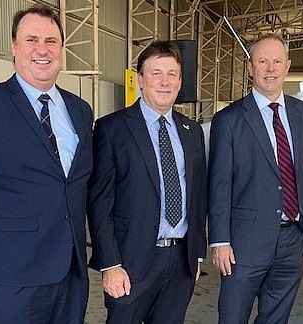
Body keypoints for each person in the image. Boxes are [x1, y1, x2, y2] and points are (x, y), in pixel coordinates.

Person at [0, 4, 93, 323]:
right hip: (12, 272)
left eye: (51, 41)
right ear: (14, 46)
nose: (43, 50)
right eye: (32, 39)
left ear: (62, 49)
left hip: (71, 270)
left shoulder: (80, 110)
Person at [208, 33, 303, 324]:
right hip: (243, 243)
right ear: (250, 67)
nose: (270, 69)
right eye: (262, 61)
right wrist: (220, 240)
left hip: (291, 240)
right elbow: (219, 184)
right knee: (232, 317)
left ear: (287, 66)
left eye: (277, 61)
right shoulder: (229, 119)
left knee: (276, 318)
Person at [87, 40, 207, 324]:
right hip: (131, 263)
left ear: (180, 82)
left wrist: (197, 255)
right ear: (140, 80)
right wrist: (110, 264)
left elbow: (198, 197)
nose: (164, 82)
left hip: (180, 262)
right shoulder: (112, 129)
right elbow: (99, 204)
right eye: (156, 73)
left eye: (172, 74)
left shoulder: (192, 132)